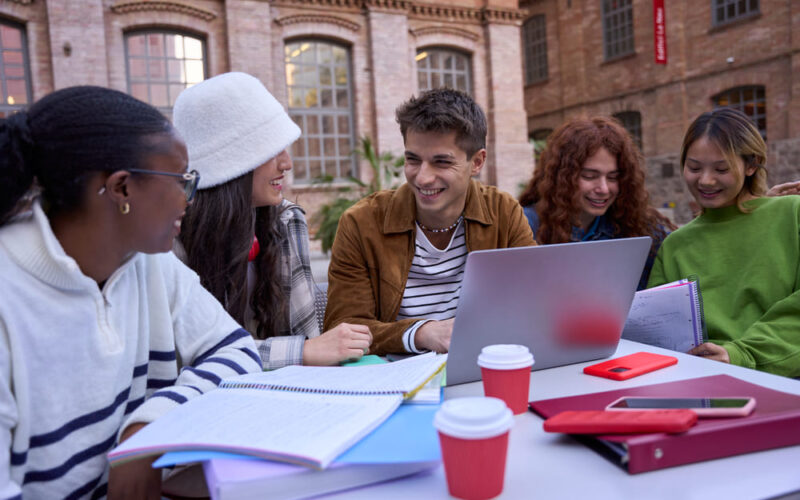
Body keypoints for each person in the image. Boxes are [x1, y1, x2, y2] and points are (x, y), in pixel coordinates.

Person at [0, 86, 262, 498]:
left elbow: (237, 352)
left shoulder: (150, 262)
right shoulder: (9, 295)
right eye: (181, 181)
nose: (187, 200)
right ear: (121, 188)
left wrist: (150, 427)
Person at [173, 72, 371, 369]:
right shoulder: (170, 241)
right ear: (229, 163)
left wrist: (311, 350)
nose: (287, 164)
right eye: (270, 149)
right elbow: (189, 356)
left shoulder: (287, 221)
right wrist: (300, 353)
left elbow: (308, 336)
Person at [324, 88, 535, 356]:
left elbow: (531, 304)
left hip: (479, 365)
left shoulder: (503, 211)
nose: (423, 178)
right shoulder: (361, 223)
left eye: (441, 162)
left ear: (477, 162)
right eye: (413, 159)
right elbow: (344, 328)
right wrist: (421, 333)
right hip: (393, 375)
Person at [648, 107, 800, 377]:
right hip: (699, 384)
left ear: (752, 165)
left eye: (721, 168)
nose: (705, 180)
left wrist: (742, 354)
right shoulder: (674, 245)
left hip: (783, 384)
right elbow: (657, 334)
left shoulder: (792, 213)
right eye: (694, 167)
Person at [519, 116, 675, 290]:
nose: (603, 189)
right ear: (561, 176)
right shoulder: (525, 227)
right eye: (590, 176)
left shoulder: (638, 227)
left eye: (613, 177)